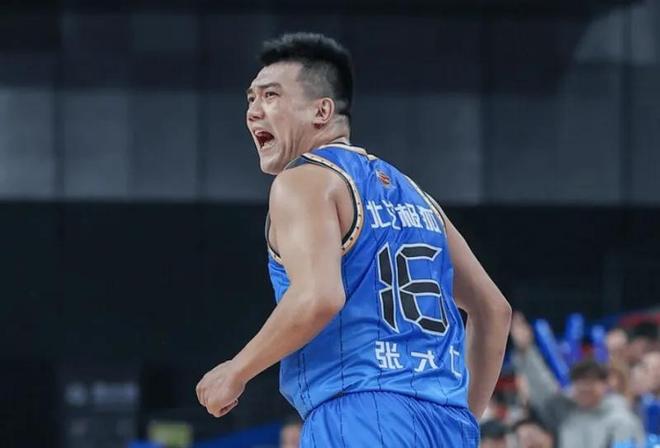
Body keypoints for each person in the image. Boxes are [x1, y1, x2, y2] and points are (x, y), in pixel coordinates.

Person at [195, 32, 512, 447]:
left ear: (321, 111)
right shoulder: (419, 197)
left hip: (359, 414)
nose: (254, 110)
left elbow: (318, 297)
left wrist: (236, 370)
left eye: (270, 96)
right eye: (251, 99)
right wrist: (463, 418)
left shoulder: (305, 179)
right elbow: (494, 311)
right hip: (446, 425)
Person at [510, 312, 645, 448]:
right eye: (580, 382)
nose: (585, 388)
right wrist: (526, 351)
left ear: (605, 384)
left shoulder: (621, 420)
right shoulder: (566, 415)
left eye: (590, 382)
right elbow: (543, 387)